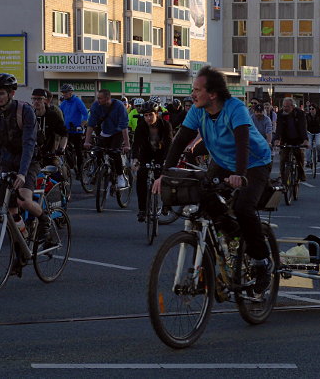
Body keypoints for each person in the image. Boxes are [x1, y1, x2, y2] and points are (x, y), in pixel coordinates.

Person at [160, 66, 274, 294]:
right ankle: (229, 237)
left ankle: (262, 263)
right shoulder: (197, 111)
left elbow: (243, 143)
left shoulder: (236, 109)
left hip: (254, 162)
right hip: (222, 161)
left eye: (197, 90)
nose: (193, 94)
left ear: (212, 94)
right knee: (202, 196)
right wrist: (165, 173)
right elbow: (181, 139)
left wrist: (240, 175)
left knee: (243, 207)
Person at [0, 74, 52, 261]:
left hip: (29, 160)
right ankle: (23, 244)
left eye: (1, 93)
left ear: (12, 93)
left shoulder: (25, 111)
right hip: (7, 160)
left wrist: (23, 174)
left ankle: (44, 219)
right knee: (9, 210)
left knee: (24, 200)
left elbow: (29, 144)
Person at [132, 101, 173, 222]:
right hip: (146, 154)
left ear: (156, 114)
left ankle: (166, 204)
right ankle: (142, 210)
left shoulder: (165, 125)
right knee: (141, 176)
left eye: (151, 115)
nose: (148, 118)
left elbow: (169, 144)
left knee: (163, 177)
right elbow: (137, 144)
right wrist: (135, 159)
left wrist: (166, 161)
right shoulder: (141, 126)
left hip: (162, 154)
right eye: (145, 115)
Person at [84, 88, 130, 190]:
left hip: (118, 132)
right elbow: (91, 125)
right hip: (104, 132)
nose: (98, 100)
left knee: (115, 153)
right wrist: (87, 141)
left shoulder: (119, 106)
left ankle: (120, 176)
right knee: (98, 152)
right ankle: (101, 172)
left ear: (107, 98)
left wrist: (127, 144)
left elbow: (124, 127)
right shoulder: (96, 106)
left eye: (100, 98)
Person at [30, 88, 67, 170]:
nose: (36, 101)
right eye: (34, 98)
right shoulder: (28, 115)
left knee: (59, 172)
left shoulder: (53, 115)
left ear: (45, 100)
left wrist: (62, 148)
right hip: (31, 155)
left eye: (39, 99)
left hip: (49, 153)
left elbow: (64, 133)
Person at [274, 97, 308, 182]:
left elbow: (302, 127)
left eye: (287, 106)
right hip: (286, 138)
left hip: (297, 138)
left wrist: (305, 140)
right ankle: (282, 179)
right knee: (283, 159)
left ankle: (301, 173)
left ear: (292, 106)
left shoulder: (299, 113)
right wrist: (277, 139)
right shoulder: (280, 113)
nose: (285, 108)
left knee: (299, 156)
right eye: (284, 106)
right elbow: (279, 128)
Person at [59, 83, 89, 175]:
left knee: (78, 150)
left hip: (76, 130)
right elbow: (59, 114)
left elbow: (85, 114)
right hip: (67, 130)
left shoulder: (77, 101)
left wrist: (81, 125)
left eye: (65, 92)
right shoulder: (64, 103)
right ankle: (71, 165)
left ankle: (80, 170)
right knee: (63, 148)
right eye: (62, 92)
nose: (63, 94)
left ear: (71, 92)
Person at [304, 104, 320, 168]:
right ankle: (308, 161)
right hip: (309, 132)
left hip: (318, 132)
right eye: (310, 109)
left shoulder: (319, 116)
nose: (311, 110)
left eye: (312, 109)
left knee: (318, 144)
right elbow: (304, 124)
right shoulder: (307, 116)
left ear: (316, 109)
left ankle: (319, 156)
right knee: (309, 145)